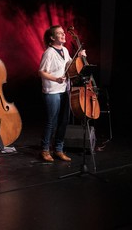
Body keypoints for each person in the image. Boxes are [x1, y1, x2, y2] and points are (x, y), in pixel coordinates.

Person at [38, 25, 85, 162]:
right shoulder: (49, 53)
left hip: (64, 90)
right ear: (52, 38)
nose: (64, 35)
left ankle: (58, 149)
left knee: (64, 121)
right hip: (52, 91)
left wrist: (80, 57)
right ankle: (45, 150)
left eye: (63, 33)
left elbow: (70, 65)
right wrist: (56, 79)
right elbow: (41, 72)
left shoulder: (64, 50)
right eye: (60, 33)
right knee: (51, 121)